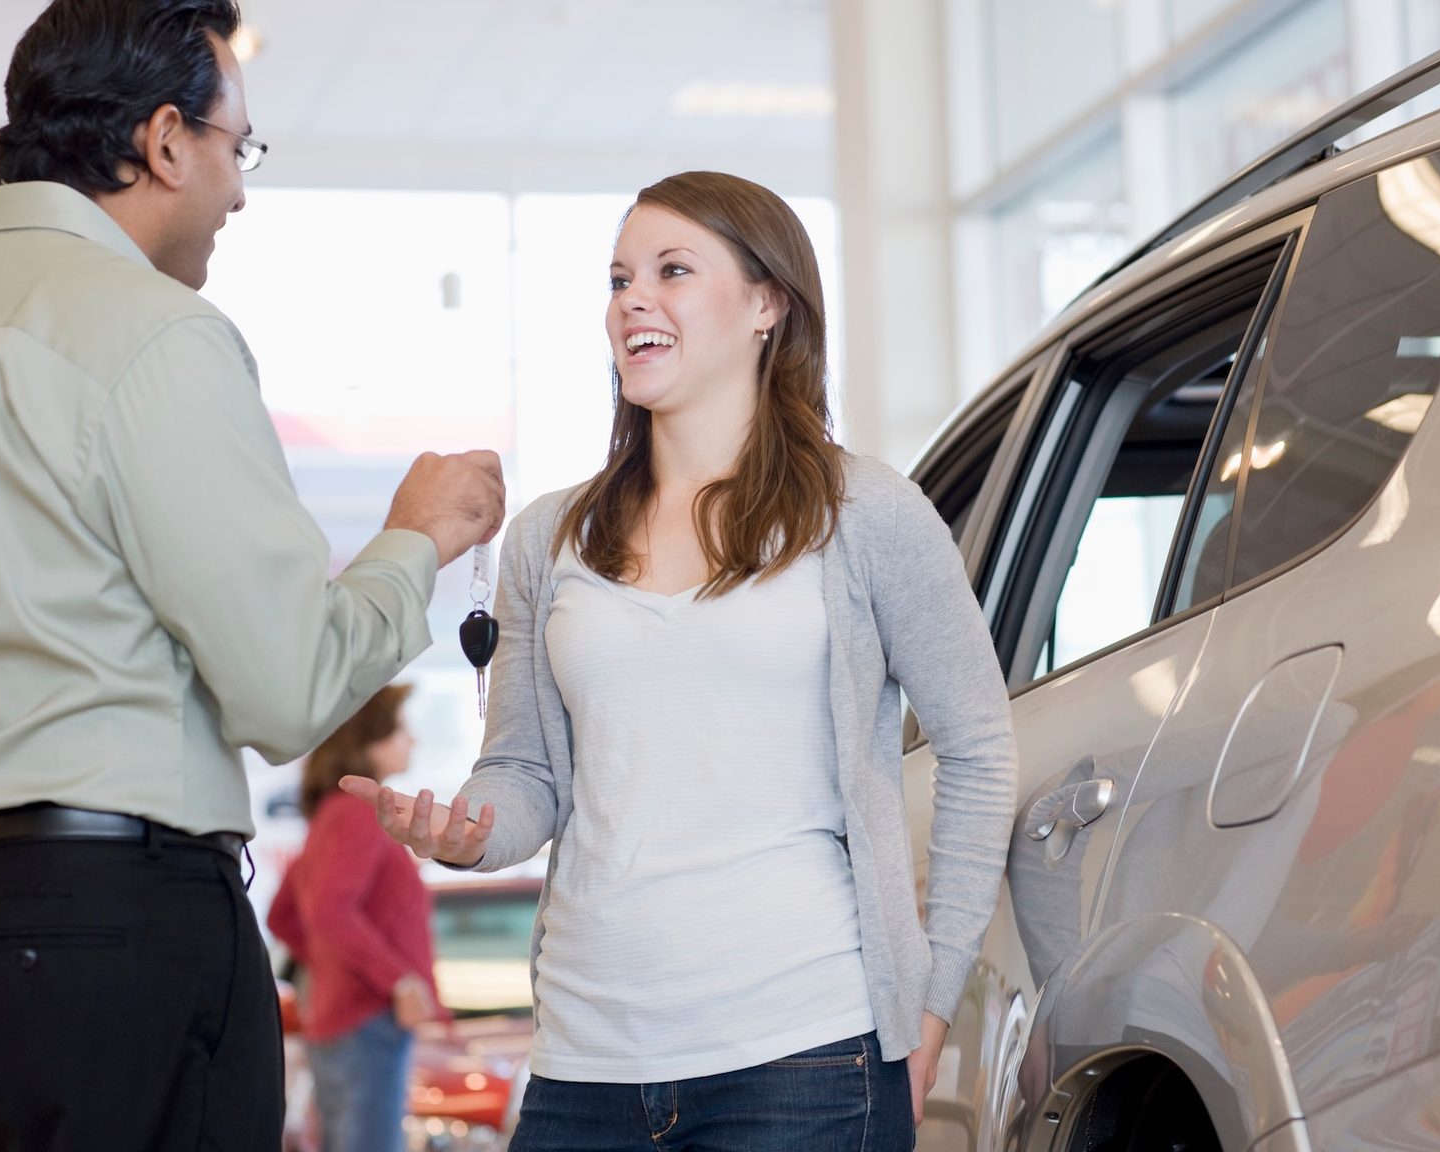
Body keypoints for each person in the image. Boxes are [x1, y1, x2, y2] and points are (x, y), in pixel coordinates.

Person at [0, 2, 505, 1148]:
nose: (239, 192)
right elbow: (287, 687)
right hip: (111, 927)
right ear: (166, 141)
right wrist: (415, 539)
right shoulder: (152, 331)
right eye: (239, 147)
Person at [344, 170, 1018, 1150]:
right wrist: (467, 834)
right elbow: (526, 772)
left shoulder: (864, 514)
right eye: (620, 280)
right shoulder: (550, 539)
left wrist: (933, 994)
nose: (633, 301)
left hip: (805, 1055)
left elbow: (979, 746)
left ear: (766, 304)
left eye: (672, 271)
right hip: (585, 1064)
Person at [270, 685, 441, 1152]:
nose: (412, 740)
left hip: (340, 1018)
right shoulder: (362, 814)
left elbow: (284, 916)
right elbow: (327, 912)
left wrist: (333, 965)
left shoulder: (330, 814)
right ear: (368, 739)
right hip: (368, 1020)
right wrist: (397, 980)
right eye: (400, 730)